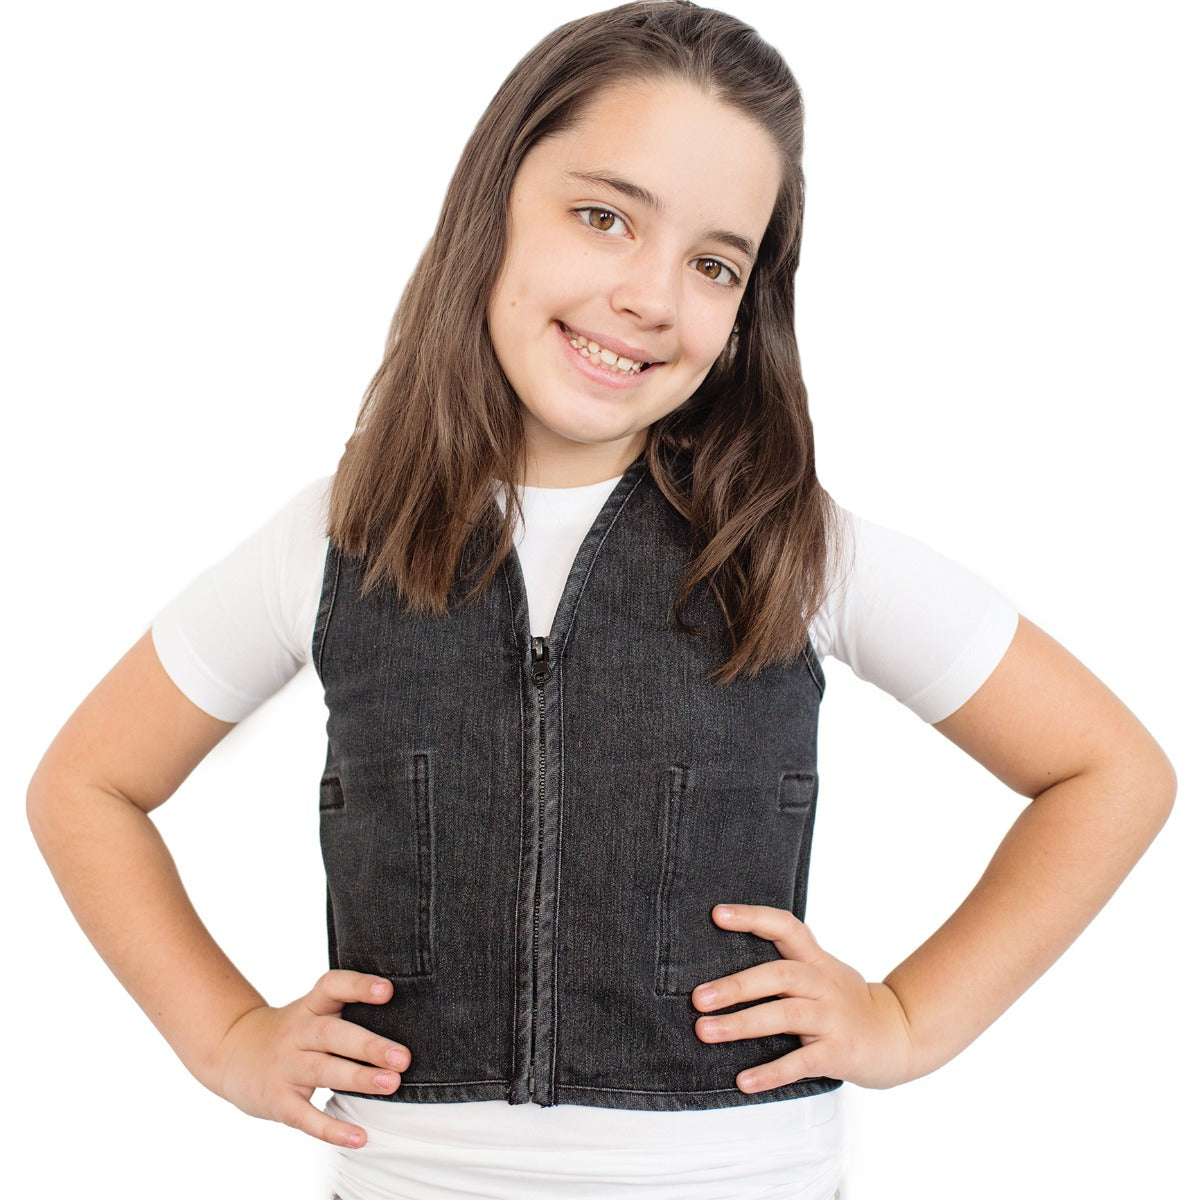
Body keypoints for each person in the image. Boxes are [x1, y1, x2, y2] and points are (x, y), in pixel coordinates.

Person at [25, 3, 1175, 1198]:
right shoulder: (334, 540)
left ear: (745, 310)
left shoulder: (790, 547)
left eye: (713, 262)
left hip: (741, 1171)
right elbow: (86, 787)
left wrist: (906, 1018)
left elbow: (1109, 770)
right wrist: (221, 1037)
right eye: (603, 216)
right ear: (495, 206)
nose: (649, 294)